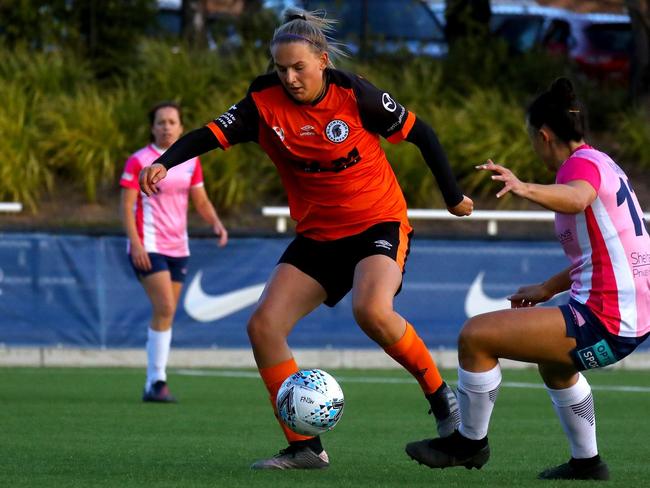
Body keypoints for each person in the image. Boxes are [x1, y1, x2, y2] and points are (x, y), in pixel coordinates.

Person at [139, 8, 473, 469]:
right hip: (318, 234)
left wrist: (453, 197)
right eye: (281, 68)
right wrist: (166, 161)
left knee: (372, 310)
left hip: (378, 221)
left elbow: (424, 134)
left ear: (321, 60)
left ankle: (440, 398)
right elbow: (207, 135)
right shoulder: (262, 101)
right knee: (263, 327)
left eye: (299, 67)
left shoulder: (354, 94)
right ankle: (305, 447)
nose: (291, 78)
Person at [406, 78, 650, 480]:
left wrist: (522, 187)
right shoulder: (605, 162)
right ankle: (587, 464)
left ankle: (469, 443)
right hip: (627, 320)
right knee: (554, 366)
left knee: (476, 336)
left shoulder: (578, 167)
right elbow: (609, 254)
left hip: (608, 318)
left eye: (532, 140)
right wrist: (547, 289)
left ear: (543, 135)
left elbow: (576, 198)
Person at [120, 101, 228, 403]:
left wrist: (216, 223)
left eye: (172, 122)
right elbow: (127, 205)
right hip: (148, 245)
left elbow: (201, 201)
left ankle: (153, 382)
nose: (166, 126)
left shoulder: (189, 161)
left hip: (178, 247)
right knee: (165, 306)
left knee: (166, 313)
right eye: (161, 122)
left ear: (181, 127)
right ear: (152, 127)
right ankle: (157, 381)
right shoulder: (139, 160)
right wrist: (136, 243)